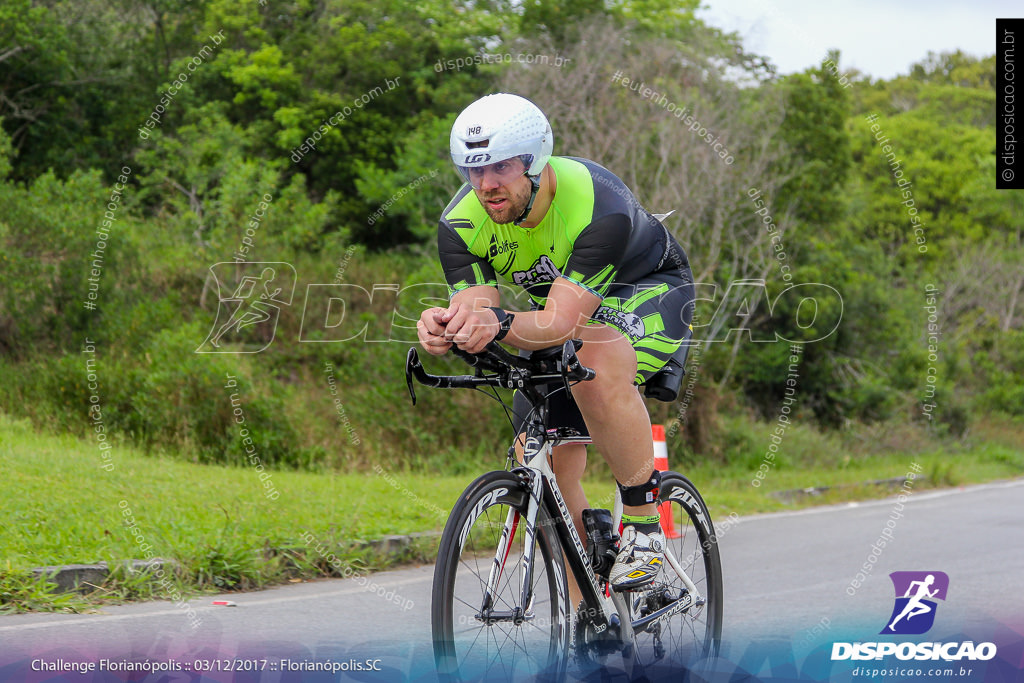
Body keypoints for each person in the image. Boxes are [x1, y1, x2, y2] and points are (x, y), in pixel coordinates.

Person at [416, 93, 695, 591]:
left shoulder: (595, 201)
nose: (486, 186)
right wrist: (449, 326)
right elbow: (484, 313)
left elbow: (564, 322)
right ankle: (589, 610)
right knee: (538, 456)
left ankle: (645, 526)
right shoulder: (460, 225)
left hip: (647, 288)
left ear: (535, 160)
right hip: (561, 311)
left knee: (593, 358)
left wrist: (498, 323)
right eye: (472, 171)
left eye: (500, 167)